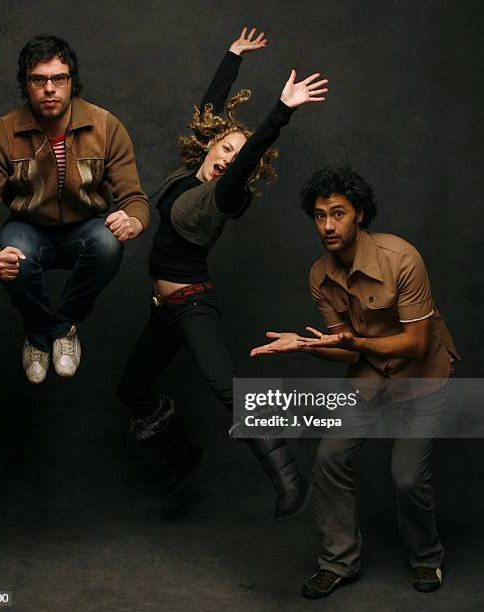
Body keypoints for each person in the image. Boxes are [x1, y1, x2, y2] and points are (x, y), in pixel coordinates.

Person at [116, 27, 329, 520]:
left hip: (192, 304)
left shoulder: (223, 196)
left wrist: (281, 113)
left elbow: (247, 157)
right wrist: (232, 56)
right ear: (209, 146)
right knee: (131, 389)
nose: (230, 159)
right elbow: (210, 111)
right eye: (226, 148)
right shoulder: (188, 172)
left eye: (239, 156)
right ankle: (182, 454)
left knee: (225, 388)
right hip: (162, 310)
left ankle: (289, 477)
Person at [251, 166, 459, 595]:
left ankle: (425, 557)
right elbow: (347, 349)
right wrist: (307, 346)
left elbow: (417, 344)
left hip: (421, 374)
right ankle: (339, 561)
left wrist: (356, 340)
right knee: (329, 458)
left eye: (338, 213)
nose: (328, 225)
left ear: (359, 214)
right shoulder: (319, 276)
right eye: (319, 215)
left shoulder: (402, 258)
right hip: (368, 371)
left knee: (406, 476)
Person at [0, 35, 148, 383]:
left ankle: (64, 327)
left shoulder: (106, 126)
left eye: (58, 78)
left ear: (71, 80)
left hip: (84, 230)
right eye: (38, 80)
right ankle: (37, 333)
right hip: (28, 228)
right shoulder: (1, 134)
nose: (49, 88)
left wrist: (134, 221)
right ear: (26, 84)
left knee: (109, 242)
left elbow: (134, 197)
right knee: (11, 252)